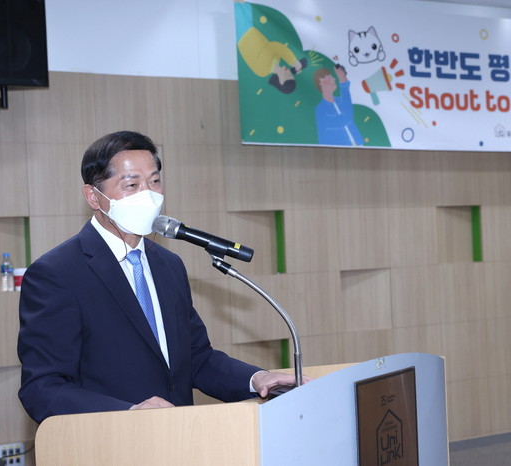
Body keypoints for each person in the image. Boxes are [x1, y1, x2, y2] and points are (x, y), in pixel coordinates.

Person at [17, 131, 299, 423]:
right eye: (132, 184)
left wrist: (256, 379)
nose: (148, 195)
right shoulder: (57, 273)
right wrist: (129, 413)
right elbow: (43, 388)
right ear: (93, 196)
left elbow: (195, 358)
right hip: (110, 439)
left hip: (178, 435)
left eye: (154, 181)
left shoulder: (168, 265)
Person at [314, 65, 364, 146]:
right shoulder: (320, 110)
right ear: (320, 83)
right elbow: (346, 117)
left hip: (358, 145)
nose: (333, 79)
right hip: (338, 150)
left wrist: (343, 78)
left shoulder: (339, 101)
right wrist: (343, 81)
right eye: (329, 78)